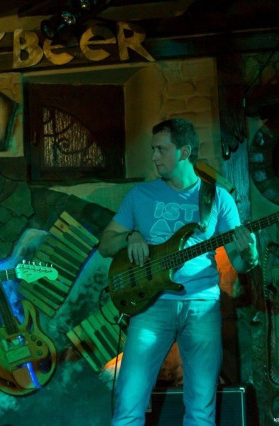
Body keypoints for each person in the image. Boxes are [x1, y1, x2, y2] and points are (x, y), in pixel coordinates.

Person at [98, 118, 259, 426]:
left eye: (161, 149)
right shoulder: (140, 195)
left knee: (201, 409)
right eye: (153, 149)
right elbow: (106, 244)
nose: (154, 156)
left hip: (202, 306)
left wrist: (249, 251)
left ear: (184, 152)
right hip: (151, 306)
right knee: (128, 405)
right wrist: (130, 236)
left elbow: (240, 264)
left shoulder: (217, 198)